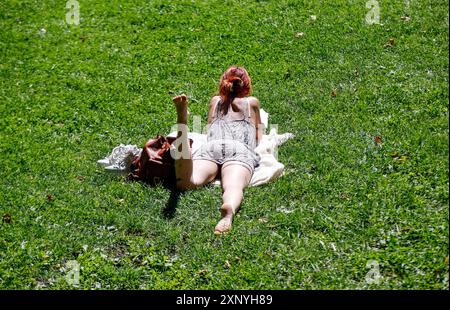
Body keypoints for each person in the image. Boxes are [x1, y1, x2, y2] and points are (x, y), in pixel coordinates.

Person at [171, 66, 263, 234]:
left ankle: (182, 124)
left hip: (211, 148)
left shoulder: (215, 101)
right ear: (246, 86)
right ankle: (228, 213)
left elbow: (209, 129)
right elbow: (258, 136)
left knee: (187, 182)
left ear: (223, 84)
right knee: (233, 186)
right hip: (239, 149)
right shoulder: (252, 103)